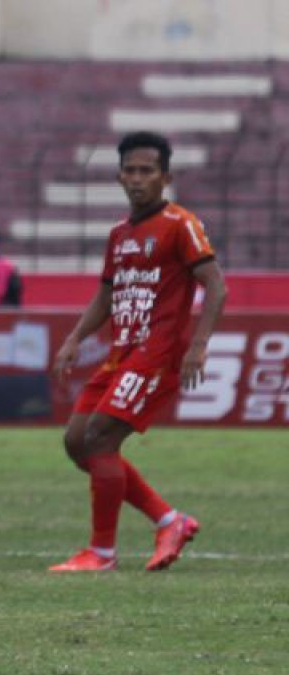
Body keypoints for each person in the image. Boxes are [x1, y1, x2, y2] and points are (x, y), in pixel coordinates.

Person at [49, 130, 227, 573]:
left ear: (164, 177)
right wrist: (75, 338)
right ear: (118, 176)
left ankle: (102, 553)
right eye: (130, 170)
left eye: (147, 171)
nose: (137, 179)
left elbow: (216, 286)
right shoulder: (119, 234)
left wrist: (198, 346)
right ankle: (170, 520)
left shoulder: (180, 224)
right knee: (76, 443)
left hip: (157, 353)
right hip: (120, 353)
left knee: (101, 439)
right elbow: (107, 293)